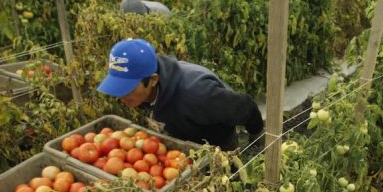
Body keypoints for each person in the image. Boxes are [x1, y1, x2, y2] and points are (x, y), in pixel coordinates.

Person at [97, 38, 264, 151]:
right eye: (118, 87)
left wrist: (257, 139)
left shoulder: (198, 94)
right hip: (184, 140)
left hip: (216, 144)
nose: (120, 96)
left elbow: (245, 107)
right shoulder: (144, 90)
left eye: (128, 88)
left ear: (153, 80)